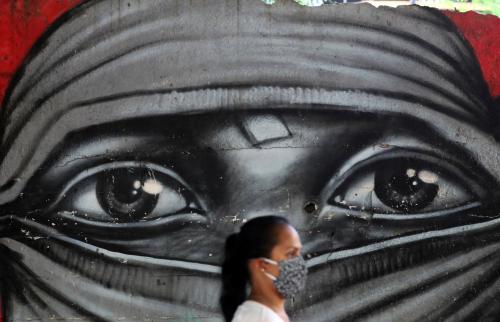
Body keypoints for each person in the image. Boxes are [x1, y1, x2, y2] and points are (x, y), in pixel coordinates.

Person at [220, 215, 307, 322]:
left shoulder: (265, 315)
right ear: (262, 265)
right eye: (291, 253)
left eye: (299, 253)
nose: (300, 262)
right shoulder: (255, 318)